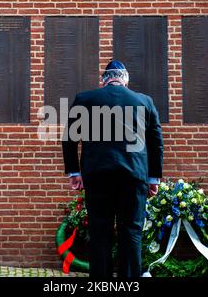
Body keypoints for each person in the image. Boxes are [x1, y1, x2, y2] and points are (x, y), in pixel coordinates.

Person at [62, 60, 163, 277]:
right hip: (134, 177)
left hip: (98, 176)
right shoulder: (144, 101)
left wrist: (74, 172)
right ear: (125, 81)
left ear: (104, 80)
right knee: (131, 233)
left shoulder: (85, 99)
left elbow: (69, 138)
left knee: (100, 233)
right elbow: (156, 142)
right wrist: (153, 178)